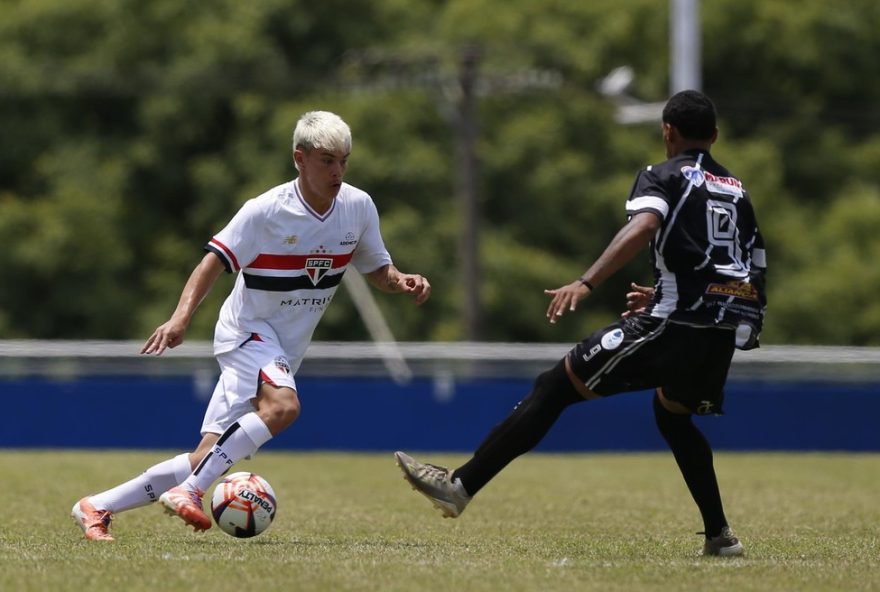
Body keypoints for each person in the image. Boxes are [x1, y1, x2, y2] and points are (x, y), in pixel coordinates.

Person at [395, 90, 766, 557]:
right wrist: (723, 312)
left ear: (667, 132)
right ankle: (720, 537)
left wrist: (586, 282)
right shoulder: (737, 190)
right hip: (720, 328)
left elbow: (646, 225)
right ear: (714, 136)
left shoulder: (663, 176)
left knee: (554, 387)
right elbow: (744, 261)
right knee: (673, 416)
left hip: (674, 325)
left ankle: (459, 485)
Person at [72, 111, 431, 541]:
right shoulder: (265, 210)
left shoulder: (358, 207)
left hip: (283, 349)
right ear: (299, 158)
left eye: (343, 161)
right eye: (326, 161)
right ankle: (190, 492)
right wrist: (181, 317)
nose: (337, 171)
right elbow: (212, 261)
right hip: (247, 331)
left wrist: (402, 281)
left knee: (208, 454)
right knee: (282, 408)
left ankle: (96, 506)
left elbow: (378, 270)